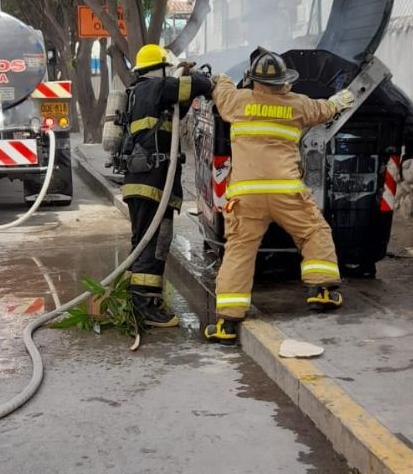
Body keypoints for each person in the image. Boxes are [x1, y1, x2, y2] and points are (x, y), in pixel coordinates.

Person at [203, 51, 355, 345]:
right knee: (313, 231)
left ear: (254, 80)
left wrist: (220, 78)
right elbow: (322, 110)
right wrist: (339, 102)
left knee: (240, 250)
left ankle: (227, 322)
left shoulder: (238, 101)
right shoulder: (297, 105)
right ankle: (322, 290)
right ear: (284, 81)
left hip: (245, 196)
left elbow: (221, 90)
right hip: (287, 191)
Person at [121, 44, 214, 328]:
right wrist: (199, 77)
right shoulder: (155, 87)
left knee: (143, 242)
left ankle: (139, 298)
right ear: (160, 68)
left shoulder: (140, 93)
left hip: (142, 183)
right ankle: (145, 306)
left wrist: (182, 76)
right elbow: (197, 85)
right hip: (154, 184)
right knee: (155, 244)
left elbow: (178, 107)